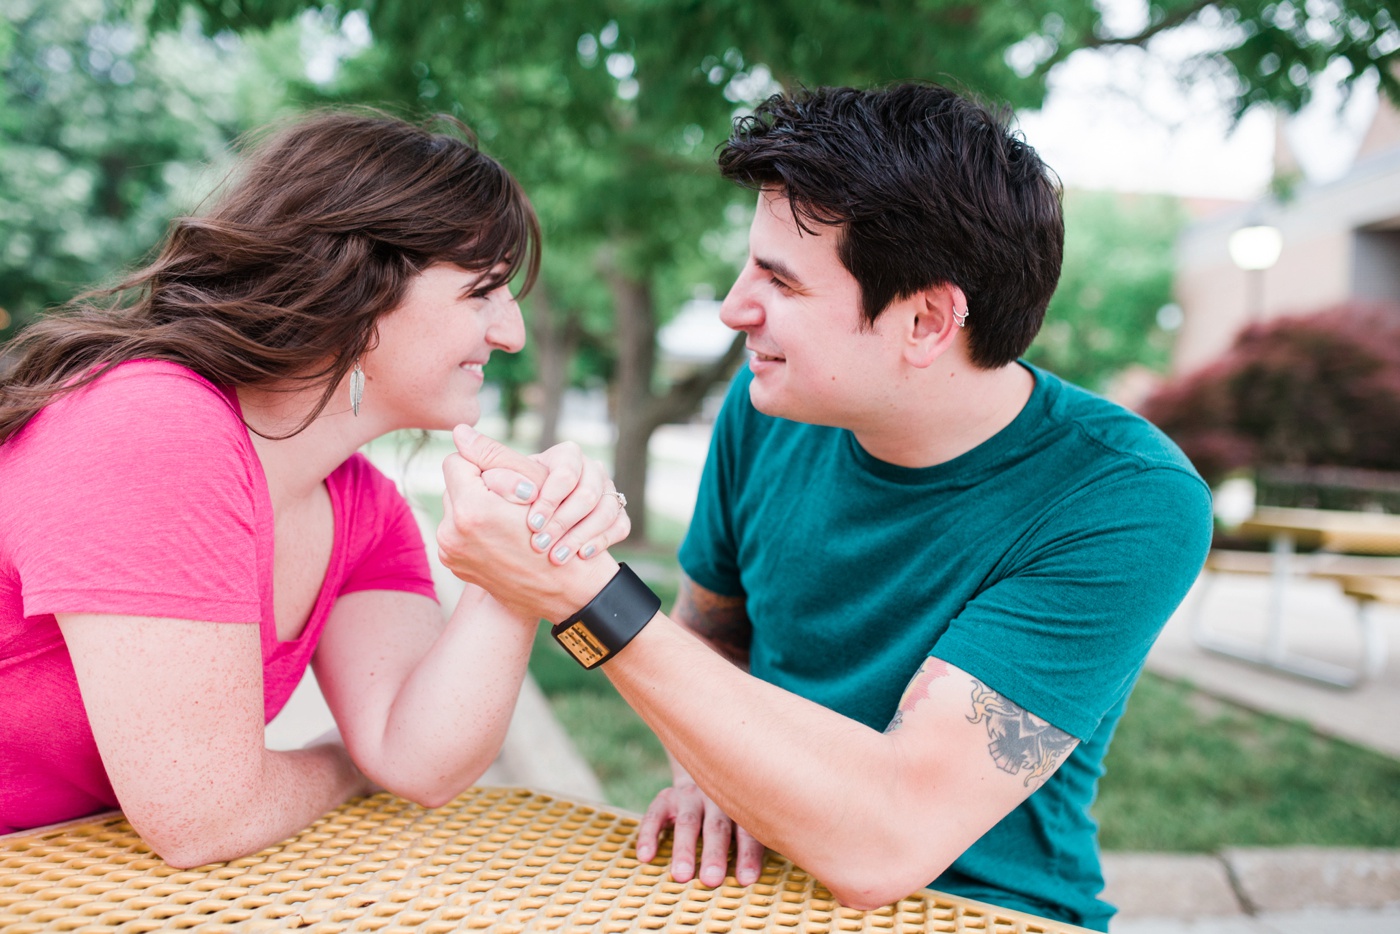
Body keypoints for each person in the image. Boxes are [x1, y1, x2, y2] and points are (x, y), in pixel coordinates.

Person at [435, 83, 1213, 930]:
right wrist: (710, 771)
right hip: (744, 894)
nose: (736, 308)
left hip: (981, 911)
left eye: (780, 281)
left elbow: (888, 842)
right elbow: (710, 633)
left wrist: (586, 596)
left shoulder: (1126, 500)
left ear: (925, 321)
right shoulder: (767, 408)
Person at [0, 110, 626, 865]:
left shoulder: (362, 507)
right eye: (482, 292)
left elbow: (418, 761)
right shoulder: (152, 424)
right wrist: (340, 763)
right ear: (364, 291)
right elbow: (207, 819)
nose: (511, 334)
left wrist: (521, 568)